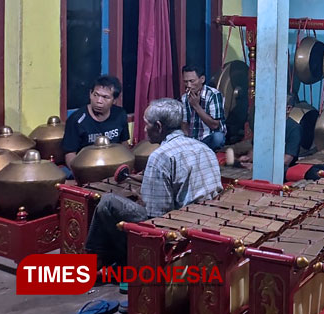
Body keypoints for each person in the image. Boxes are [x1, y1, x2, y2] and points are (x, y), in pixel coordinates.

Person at [84, 98, 222, 266]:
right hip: (210, 221)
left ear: (158, 126)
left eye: (146, 124)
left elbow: (157, 213)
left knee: (107, 202)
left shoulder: (160, 156)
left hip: (178, 229)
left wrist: (139, 198)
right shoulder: (203, 147)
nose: (144, 129)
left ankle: (97, 263)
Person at [62, 75, 130, 171]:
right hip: (86, 168)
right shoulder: (76, 120)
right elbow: (70, 154)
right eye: (96, 95)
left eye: (105, 97)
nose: (99, 101)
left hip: (113, 166)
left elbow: (124, 144)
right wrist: (79, 174)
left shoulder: (120, 115)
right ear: (90, 94)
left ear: (114, 100)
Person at [238, 93, 302, 173]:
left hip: (281, 172)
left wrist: (258, 166)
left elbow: (286, 161)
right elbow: (255, 150)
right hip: (260, 167)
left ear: (288, 109)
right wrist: (248, 158)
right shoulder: (264, 125)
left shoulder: (294, 129)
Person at [181, 64, 226, 151]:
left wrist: (196, 106)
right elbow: (184, 124)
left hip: (208, 138)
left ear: (202, 79)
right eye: (186, 82)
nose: (189, 85)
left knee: (218, 138)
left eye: (192, 81)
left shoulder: (214, 95)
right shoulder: (185, 97)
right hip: (192, 141)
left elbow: (215, 125)